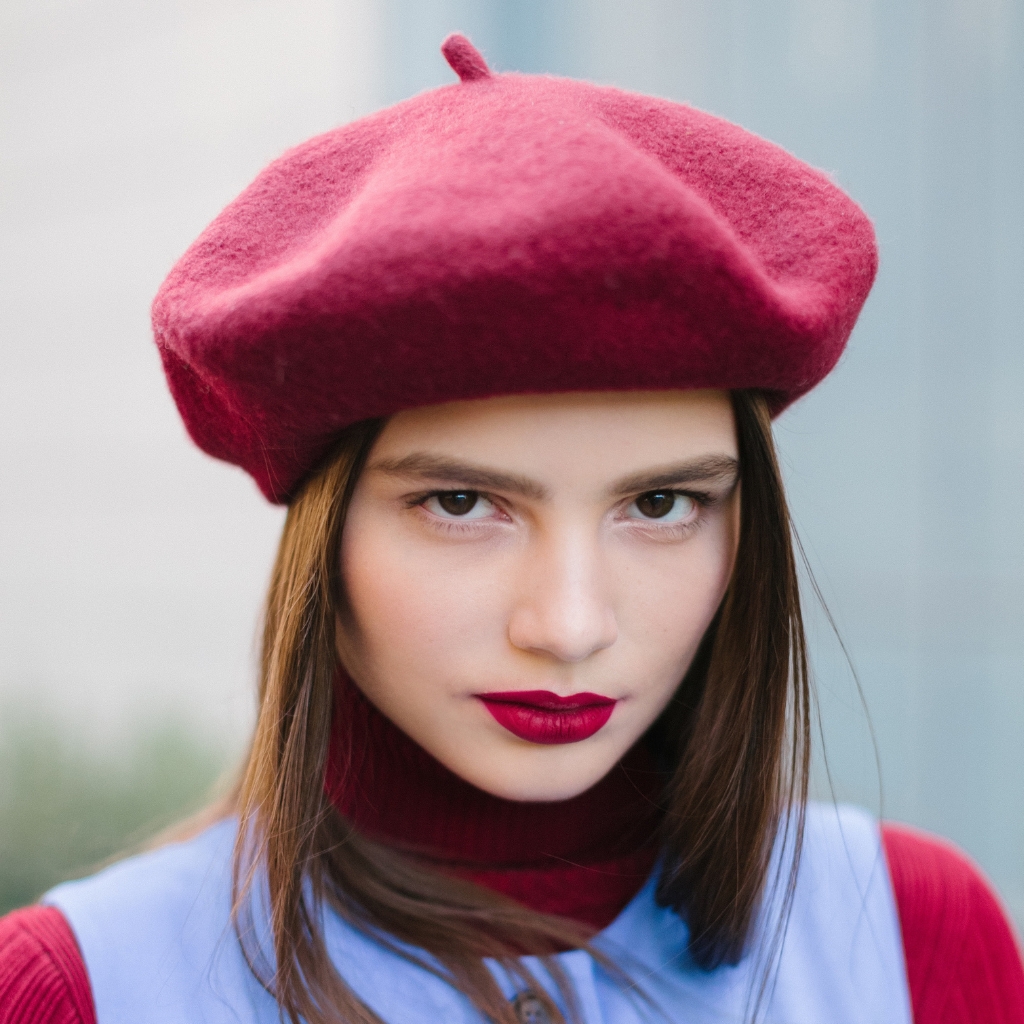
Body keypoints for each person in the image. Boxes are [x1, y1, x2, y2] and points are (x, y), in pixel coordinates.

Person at [1, 32, 1021, 1024]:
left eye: (659, 504)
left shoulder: (914, 933)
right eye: (460, 503)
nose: (568, 624)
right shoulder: (79, 990)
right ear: (327, 534)